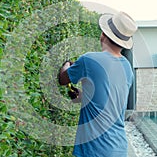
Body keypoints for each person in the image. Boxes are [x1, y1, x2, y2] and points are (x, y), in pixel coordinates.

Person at [58, 11, 138, 157]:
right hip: (119, 148)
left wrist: (67, 64)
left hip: (94, 150)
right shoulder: (127, 67)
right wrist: (83, 97)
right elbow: (110, 101)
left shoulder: (89, 60)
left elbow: (63, 78)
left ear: (103, 34)